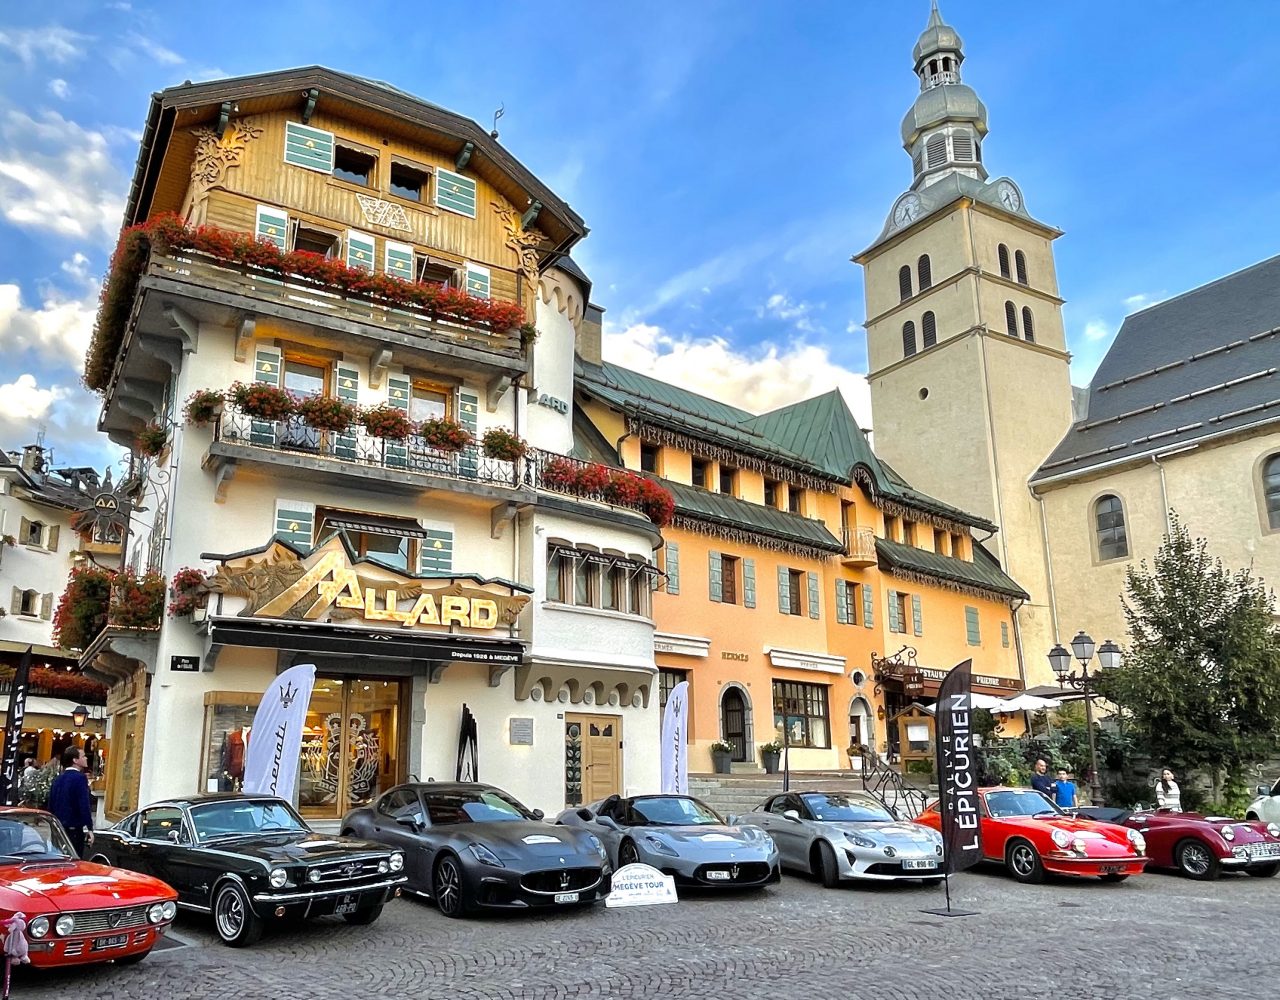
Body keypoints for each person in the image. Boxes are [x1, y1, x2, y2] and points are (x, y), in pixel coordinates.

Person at [46, 747, 94, 858]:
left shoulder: (58, 779)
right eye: (83, 756)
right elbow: (83, 804)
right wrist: (89, 828)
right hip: (74, 830)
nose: (86, 758)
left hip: (58, 829)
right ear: (75, 760)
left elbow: (51, 805)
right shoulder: (80, 778)